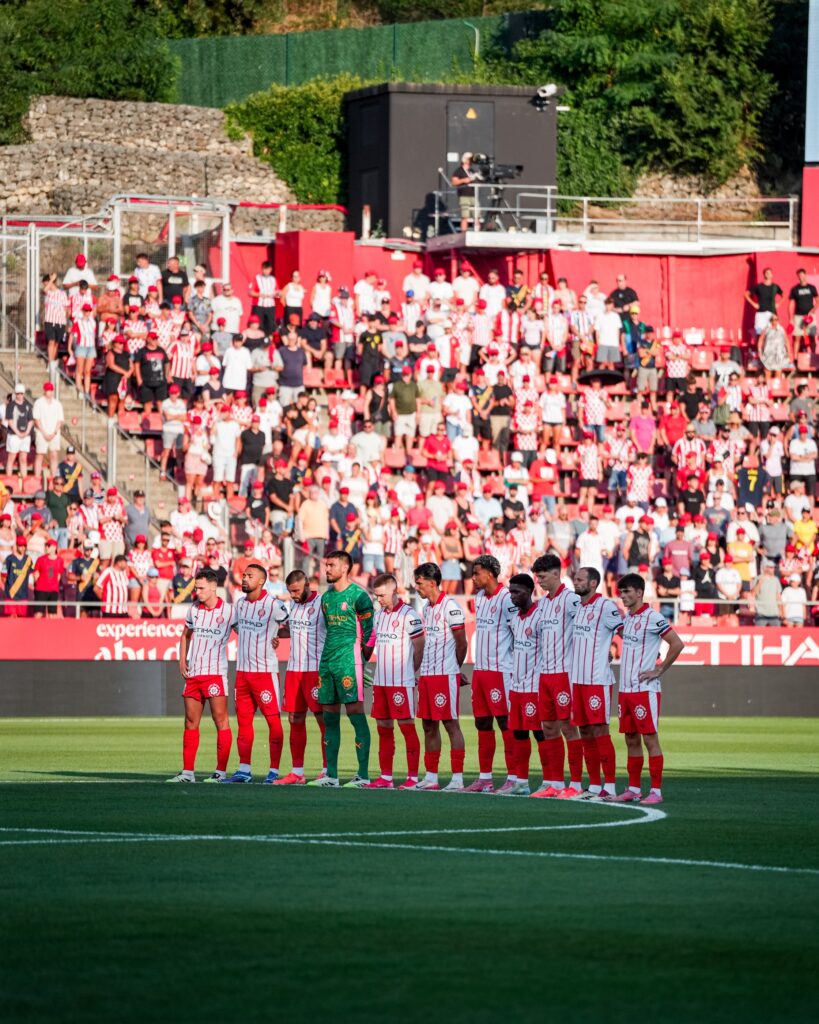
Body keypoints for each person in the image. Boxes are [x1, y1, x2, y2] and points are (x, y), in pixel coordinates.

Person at [615, 573, 684, 805]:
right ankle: (633, 789)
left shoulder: (653, 617)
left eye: (627, 592)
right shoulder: (627, 620)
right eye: (621, 592)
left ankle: (656, 791)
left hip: (645, 690)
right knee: (631, 740)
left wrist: (660, 669)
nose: (623, 596)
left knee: (650, 740)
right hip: (625, 690)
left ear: (639, 593)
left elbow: (677, 643)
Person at [307, 551, 374, 788]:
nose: (326, 569)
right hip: (327, 662)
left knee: (356, 714)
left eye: (331, 565)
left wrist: (361, 661)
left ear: (345, 568)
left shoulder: (359, 596)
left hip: (349, 661)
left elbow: (370, 633)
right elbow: (328, 629)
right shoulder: (326, 598)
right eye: (326, 565)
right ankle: (331, 776)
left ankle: (363, 776)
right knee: (329, 717)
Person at [166, 567, 235, 783]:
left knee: (220, 720)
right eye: (196, 588)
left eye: (201, 588)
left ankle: (220, 772)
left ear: (214, 587)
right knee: (190, 722)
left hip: (215, 674)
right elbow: (185, 635)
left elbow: (247, 632)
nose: (198, 592)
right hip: (194, 674)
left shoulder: (230, 612)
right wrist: (181, 659)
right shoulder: (194, 609)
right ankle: (188, 773)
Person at [223, 563, 290, 784]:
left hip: (265, 673)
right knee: (243, 722)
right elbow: (235, 626)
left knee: (273, 722)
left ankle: (273, 770)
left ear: (261, 581)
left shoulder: (273, 604)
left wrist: (279, 635)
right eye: (243, 575)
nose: (244, 579)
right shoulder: (240, 604)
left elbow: (291, 625)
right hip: (243, 672)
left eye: (249, 576)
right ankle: (244, 770)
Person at [530, 553, 585, 800]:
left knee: (569, 728)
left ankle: (575, 784)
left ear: (556, 573)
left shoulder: (572, 600)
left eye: (542, 577)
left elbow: (588, 628)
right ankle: (554, 782)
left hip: (565, 674)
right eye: (537, 577)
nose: (539, 582)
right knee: (548, 727)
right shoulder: (541, 604)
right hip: (544, 674)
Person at [567, 565, 623, 799]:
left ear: (592, 583)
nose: (575, 582)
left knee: (600, 730)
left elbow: (624, 631)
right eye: (575, 578)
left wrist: (613, 649)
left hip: (597, 680)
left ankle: (609, 785)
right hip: (577, 680)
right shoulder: (576, 607)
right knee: (585, 732)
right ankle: (593, 785)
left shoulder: (606, 607)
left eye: (580, 579)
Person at [364, 573, 425, 789]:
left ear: (395, 592)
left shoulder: (410, 615)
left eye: (382, 596)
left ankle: (412, 778)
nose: (379, 600)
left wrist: (411, 672)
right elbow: (371, 641)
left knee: (407, 727)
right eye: (376, 596)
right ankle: (386, 778)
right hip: (381, 682)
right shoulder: (378, 616)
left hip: (402, 682)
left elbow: (420, 646)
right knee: (383, 727)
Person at [463, 555, 517, 794]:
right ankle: (485, 778)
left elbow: (519, 632)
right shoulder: (479, 598)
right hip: (481, 671)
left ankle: (514, 778)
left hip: (501, 672)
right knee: (482, 723)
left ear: (491, 574)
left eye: (477, 573)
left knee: (505, 723)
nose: (473, 578)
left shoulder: (507, 599)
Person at [412, 561, 468, 791]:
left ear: (432, 582)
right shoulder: (426, 608)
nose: (416, 587)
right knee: (427, 725)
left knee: (450, 724)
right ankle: (431, 777)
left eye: (419, 582)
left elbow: (462, 642)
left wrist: (454, 668)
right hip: (427, 675)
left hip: (445, 675)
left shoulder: (450, 606)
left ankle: (457, 778)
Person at [273, 569, 328, 785]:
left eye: (296, 591)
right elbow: (291, 630)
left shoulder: (323, 603)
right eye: (290, 592)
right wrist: (277, 635)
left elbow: (334, 631)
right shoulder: (293, 605)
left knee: (323, 719)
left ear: (306, 585)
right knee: (294, 718)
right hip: (295, 669)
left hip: (316, 670)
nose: (293, 595)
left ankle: (327, 769)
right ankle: (297, 772)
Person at [504, 573, 548, 797]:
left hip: (535, 686)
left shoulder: (541, 616)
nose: (512, 596)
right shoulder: (514, 619)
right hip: (517, 687)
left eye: (517, 592)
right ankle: (521, 782)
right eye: (510, 591)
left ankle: (549, 781)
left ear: (530, 591)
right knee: (519, 734)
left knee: (540, 734)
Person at [32, 382, 64, 479]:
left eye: (50, 390)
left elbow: (60, 420)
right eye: (47, 390)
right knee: (40, 455)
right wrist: (44, 433)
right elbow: (36, 419)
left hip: (54, 433)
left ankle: (53, 477)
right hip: (41, 433)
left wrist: (54, 432)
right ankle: (37, 477)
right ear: (44, 390)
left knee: (54, 455)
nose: (49, 392)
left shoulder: (57, 404)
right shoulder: (38, 402)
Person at [3, 384, 34, 477]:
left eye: (21, 393)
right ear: (15, 394)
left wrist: (27, 432)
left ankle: (24, 479)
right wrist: (18, 433)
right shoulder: (11, 405)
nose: (19, 395)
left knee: (23, 458)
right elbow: (10, 421)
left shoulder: (28, 405)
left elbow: (31, 420)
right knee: (11, 458)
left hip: (25, 435)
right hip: (13, 435)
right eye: (17, 394)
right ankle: (9, 478)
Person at [450, 152, 476, 232]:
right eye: (469, 159)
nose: (471, 161)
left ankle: (477, 232)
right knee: (465, 216)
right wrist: (464, 180)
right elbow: (454, 182)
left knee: (477, 215)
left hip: (473, 195)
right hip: (464, 195)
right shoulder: (459, 170)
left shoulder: (472, 171)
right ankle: (464, 233)